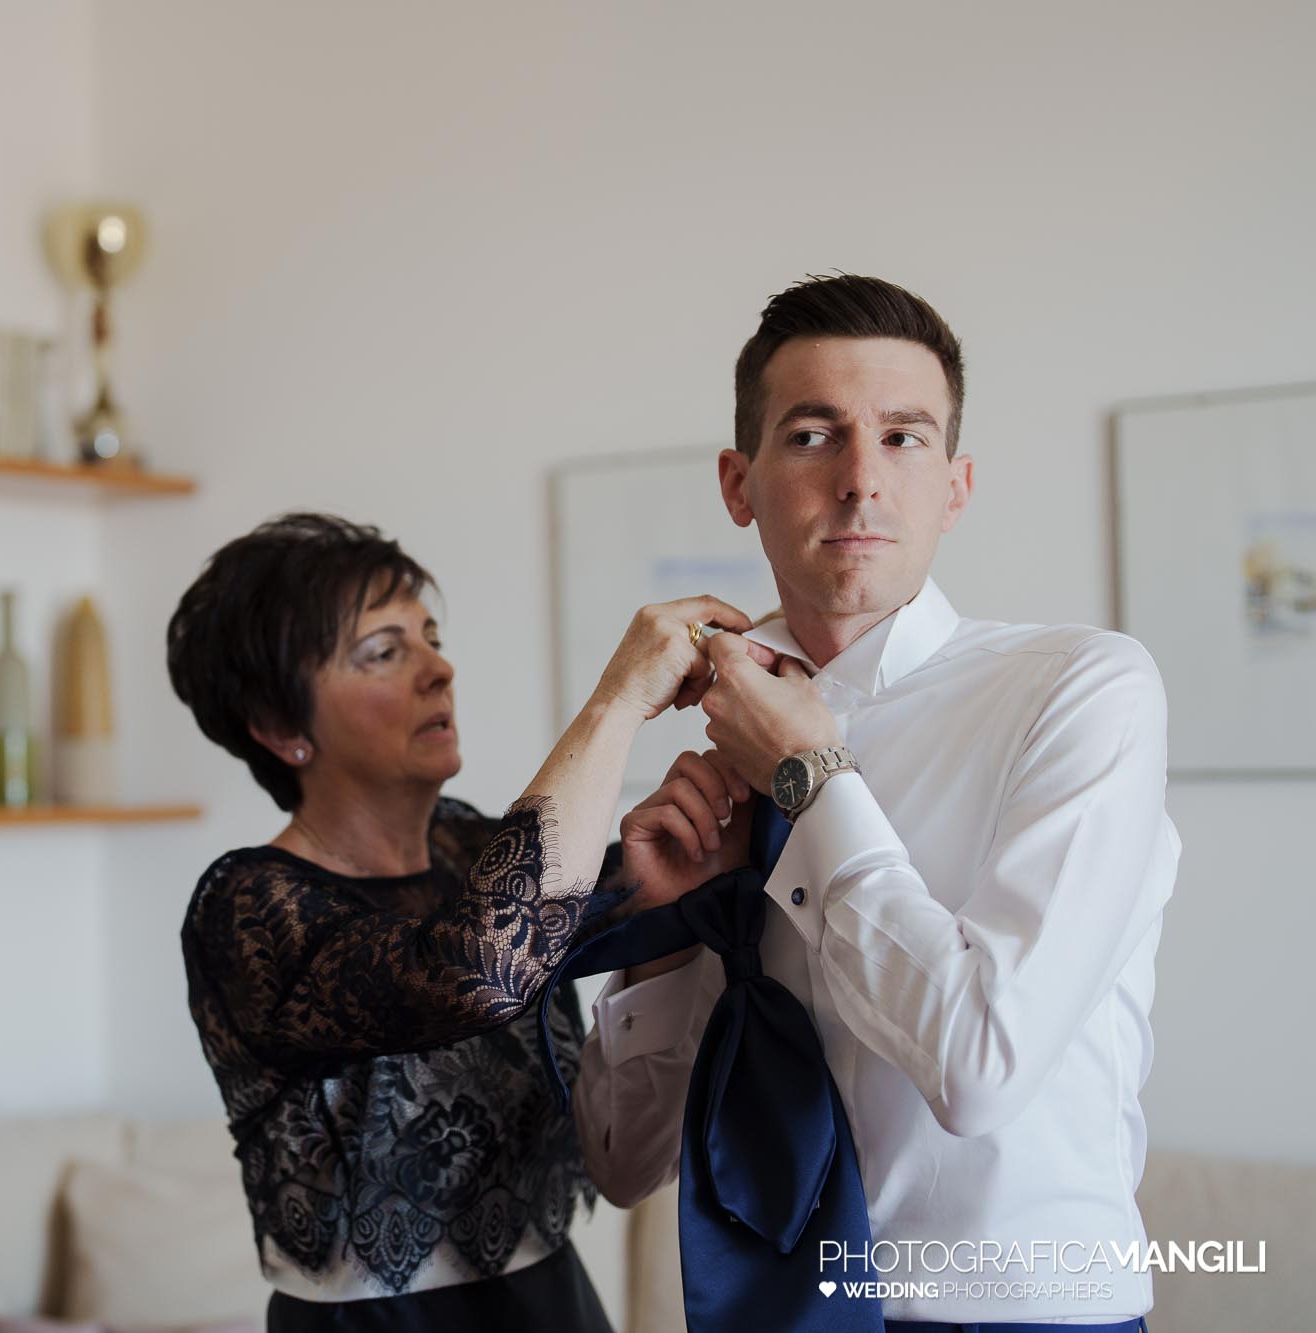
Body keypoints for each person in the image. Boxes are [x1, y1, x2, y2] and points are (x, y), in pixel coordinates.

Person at [575, 274, 1175, 1331]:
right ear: (736, 480)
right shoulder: (711, 756)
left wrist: (812, 785)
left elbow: (978, 1067)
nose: (860, 481)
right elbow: (622, 1164)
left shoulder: (1082, 693)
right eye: (811, 435)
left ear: (954, 484)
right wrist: (659, 944)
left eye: (903, 438)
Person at [167, 512, 767, 1333]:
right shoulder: (247, 906)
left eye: (430, 637)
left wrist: (661, 907)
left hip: (555, 1305)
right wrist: (620, 698)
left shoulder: (480, 851)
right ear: (280, 729)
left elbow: (626, 1136)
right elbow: (483, 966)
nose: (439, 669)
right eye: (383, 651)